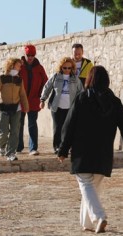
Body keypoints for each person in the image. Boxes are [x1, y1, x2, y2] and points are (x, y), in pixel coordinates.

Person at [58, 66, 123, 233]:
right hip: (103, 154)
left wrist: (63, 149)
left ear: (89, 79)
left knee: (86, 185)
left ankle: (99, 217)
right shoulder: (115, 102)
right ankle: (87, 223)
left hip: (83, 153)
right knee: (91, 189)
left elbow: (69, 126)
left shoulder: (81, 99)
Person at [40, 57, 83, 154]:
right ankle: (57, 147)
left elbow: (81, 91)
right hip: (56, 107)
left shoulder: (75, 79)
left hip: (70, 107)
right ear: (61, 67)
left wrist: (81, 104)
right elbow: (47, 87)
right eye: (65, 68)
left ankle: (68, 146)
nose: (67, 70)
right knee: (58, 127)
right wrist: (42, 99)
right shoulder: (56, 76)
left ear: (72, 68)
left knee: (69, 128)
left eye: (69, 68)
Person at [0, 58, 29, 161]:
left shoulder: (19, 79)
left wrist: (26, 106)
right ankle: (2, 146)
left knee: (15, 131)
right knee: (3, 131)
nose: (20, 67)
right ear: (12, 65)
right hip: (4, 108)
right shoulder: (3, 78)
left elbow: (22, 94)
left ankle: (11, 153)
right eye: (18, 65)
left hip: (16, 108)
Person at [17, 44, 48, 155]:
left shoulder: (39, 68)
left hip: (34, 100)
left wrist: (41, 96)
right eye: (28, 55)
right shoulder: (19, 66)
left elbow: (46, 82)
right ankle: (18, 147)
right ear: (25, 54)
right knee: (19, 124)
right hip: (20, 100)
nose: (30, 57)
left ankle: (33, 148)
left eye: (32, 55)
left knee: (32, 124)